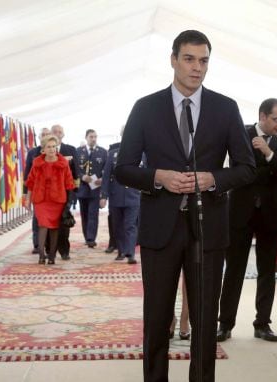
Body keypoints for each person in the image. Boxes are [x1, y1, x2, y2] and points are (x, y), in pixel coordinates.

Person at [114, 29, 255, 382]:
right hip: (160, 228)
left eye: (203, 60)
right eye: (189, 59)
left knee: (205, 320)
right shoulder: (145, 108)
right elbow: (124, 168)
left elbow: (247, 167)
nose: (197, 68)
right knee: (157, 317)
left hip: (208, 229)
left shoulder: (226, 108)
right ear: (173, 60)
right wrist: (158, 176)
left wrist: (213, 179)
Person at [217, 98, 277, 343]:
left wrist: (269, 155)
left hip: (270, 213)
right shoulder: (242, 134)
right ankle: (225, 324)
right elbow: (241, 172)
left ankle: (263, 324)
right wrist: (273, 166)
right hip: (240, 212)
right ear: (263, 116)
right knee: (234, 270)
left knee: (267, 272)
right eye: (276, 119)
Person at [25, 135, 75, 265]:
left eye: (54, 146)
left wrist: (69, 203)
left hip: (57, 200)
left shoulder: (63, 163)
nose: (52, 149)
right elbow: (30, 182)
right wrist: (27, 199)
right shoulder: (37, 162)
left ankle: (52, 256)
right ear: (43, 149)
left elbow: (69, 183)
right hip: (40, 200)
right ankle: (42, 255)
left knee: (54, 228)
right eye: (49, 147)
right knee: (42, 225)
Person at [100, 136, 139, 264]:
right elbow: (106, 176)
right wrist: (103, 196)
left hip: (133, 195)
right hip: (116, 195)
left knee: (130, 225)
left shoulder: (140, 153)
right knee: (117, 225)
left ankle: (130, 253)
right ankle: (121, 250)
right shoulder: (112, 154)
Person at [50, 125, 79, 260]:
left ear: (63, 134)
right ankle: (50, 250)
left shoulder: (71, 149)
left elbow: (76, 171)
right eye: (55, 131)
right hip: (49, 193)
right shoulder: (44, 150)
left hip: (66, 192)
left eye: (60, 132)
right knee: (49, 222)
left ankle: (64, 250)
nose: (57, 134)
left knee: (63, 221)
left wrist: (75, 191)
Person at [75, 129, 107, 248]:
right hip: (82, 189)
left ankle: (91, 238)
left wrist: (102, 179)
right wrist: (82, 176)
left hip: (96, 188)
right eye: (91, 137)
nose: (93, 139)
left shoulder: (103, 152)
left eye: (95, 137)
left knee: (93, 213)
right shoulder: (78, 151)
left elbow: (107, 169)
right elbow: (75, 169)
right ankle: (86, 236)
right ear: (86, 137)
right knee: (84, 214)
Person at [23, 127, 50, 254]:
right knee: (37, 218)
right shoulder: (33, 152)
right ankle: (37, 244)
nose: (44, 136)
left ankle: (49, 244)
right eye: (42, 134)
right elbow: (27, 173)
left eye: (47, 134)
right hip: (36, 191)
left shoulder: (53, 152)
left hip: (51, 192)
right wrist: (25, 193)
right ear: (39, 137)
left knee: (50, 218)